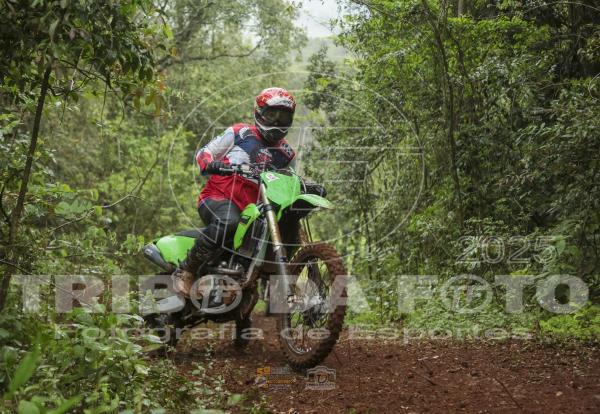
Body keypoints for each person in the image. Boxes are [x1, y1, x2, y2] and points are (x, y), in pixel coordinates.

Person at [173, 87, 297, 296]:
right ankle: (187, 269)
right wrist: (211, 164)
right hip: (218, 197)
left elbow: (292, 179)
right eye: (272, 114)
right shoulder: (240, 132)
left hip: (256, 210)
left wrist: (307, 186)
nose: (277, 121)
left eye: (283, 116)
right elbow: (205, 152)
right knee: (229, 221)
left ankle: (258, 292)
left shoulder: (287, 154)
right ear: (259, 113)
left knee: (285, 227)